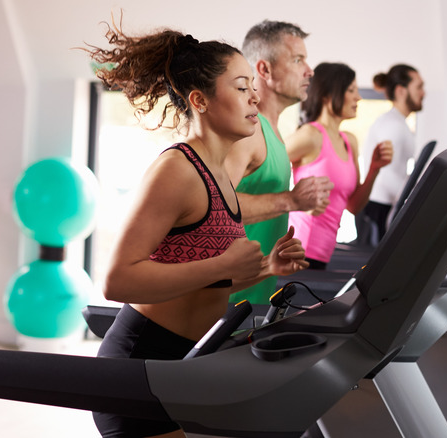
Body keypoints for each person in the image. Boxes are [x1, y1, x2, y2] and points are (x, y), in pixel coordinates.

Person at [83, 21, 308, 438]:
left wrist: (267, 269)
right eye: (242, 87)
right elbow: (117, 281)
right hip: (142, 361)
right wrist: (224, 263)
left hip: (186, 361)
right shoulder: (178, 169)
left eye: (251, 87)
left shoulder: (220, 174)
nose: (254, 96)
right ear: (200, 100)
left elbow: (207, 275)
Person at [226, 20, 334, 303]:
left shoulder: (273, 133)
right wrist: (290, 200)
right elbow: (212, 208)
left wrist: (301, 202)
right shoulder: (248, 132)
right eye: (298, 60)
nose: (309, 70)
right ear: (264, 69)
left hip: (254, 302)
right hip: (223, 310)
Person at [286, 62, 393, 270]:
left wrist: (374, 169)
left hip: (323, 252)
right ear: (327, 95)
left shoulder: (349, 141)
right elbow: (262, 167)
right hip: (298, 250)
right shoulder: (310, 135)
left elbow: (353, 206)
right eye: (351, 90)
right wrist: (292, 200)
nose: (358, 97)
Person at [356, 64, 425, 244]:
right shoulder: (393, 125)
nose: (423, 93)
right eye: (419, 87)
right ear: (401, 91)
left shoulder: (399, 123)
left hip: (385, 206)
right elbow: (387, 174)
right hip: (379, 208)